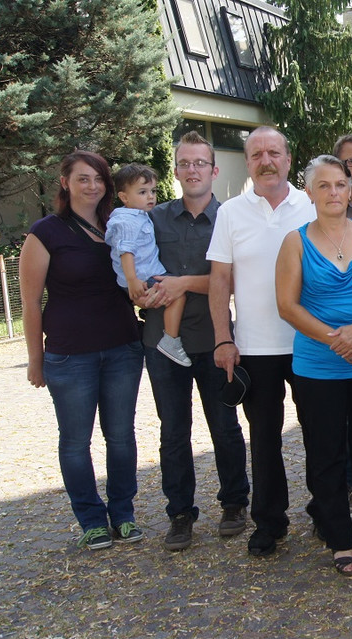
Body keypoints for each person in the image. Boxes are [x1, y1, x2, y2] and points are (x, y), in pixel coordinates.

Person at [275, 155, 352, 576]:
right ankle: (339, 539)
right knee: (325, 454)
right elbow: (287, 306)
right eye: (324, 186)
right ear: (309, 192)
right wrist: (336, 339)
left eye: (340, 185)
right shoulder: (295, 242)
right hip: (318, 367)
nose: (333, 192)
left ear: (350, 190)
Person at [19, 150, 144, 551]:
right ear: (65, 183)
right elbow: (30, 302)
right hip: (70, 356)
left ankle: (123, 514)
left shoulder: (119, 224)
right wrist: (35, 360)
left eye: (99, 178)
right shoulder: (46, 233)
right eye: (83, 178)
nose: (92, 186)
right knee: (75, 442)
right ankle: (91, 520)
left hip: (123, 348)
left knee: (121, 437)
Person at [207, 126, 317, 557]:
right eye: (257, 154)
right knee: (265, 440)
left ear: (289, 159)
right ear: (247, 162)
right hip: (255, 347)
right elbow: (220, 280)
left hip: (310, 342)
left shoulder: (311, 204)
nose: (266, 161)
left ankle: (326, 513)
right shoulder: (231, 213)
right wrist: (223, 339)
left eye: (274, 152)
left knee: (321, 435)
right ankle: (270, 523)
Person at [140, 131, 250, 552]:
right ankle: (180, 514)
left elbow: (235, 279)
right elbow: (136, 265)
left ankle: (234, 504)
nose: (192, 170)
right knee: (173, 432)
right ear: (175, 171)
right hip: (161, 341)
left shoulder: (231, 217)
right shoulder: (153, 218)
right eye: (184, 163)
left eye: (199, 163)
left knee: (225, 427)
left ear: (214, 170)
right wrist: (140, 289)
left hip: (213, 338)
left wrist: (183, 282)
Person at [104, 164, 190, 367]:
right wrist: (132, 280)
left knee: (174, 292)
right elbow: (126, 251)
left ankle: (169, 338)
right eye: (142, 192)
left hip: (145, 274)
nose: (150, 196)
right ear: (124, 197)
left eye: (153, 191)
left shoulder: (139, 216)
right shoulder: (127, 221)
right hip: (141, 277)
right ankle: (171, 340)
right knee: (178, 294)